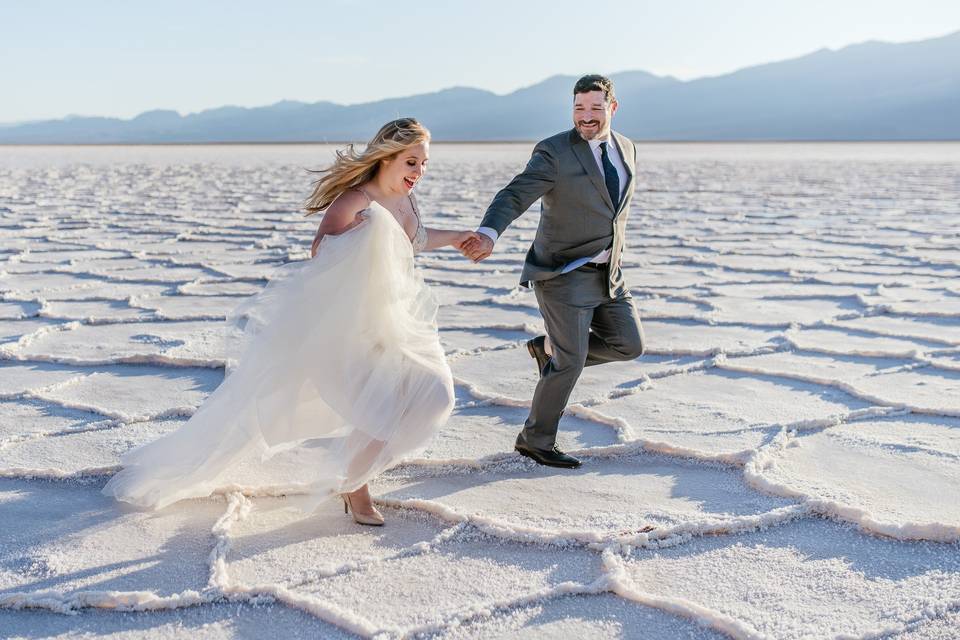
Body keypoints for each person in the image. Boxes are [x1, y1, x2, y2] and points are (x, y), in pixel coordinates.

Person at [103, 118, 479, 525]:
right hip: (351, 329)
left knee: (436, 394)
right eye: (411, 162)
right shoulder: (355, 201)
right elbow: (322, 251)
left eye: (424, 164)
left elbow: (414, 239)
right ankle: (355, 485)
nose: (418, 173)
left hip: (400, 321)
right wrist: (364, 234)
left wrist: (457, 236)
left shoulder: (406, 201)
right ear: (386, 157)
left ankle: (357, 474)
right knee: (382, 407)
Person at [461, 75, 645, 469]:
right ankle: (535, 440)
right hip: (563, 272)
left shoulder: (626, 148)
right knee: (571, 361)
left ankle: (546, 348)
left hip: (609, 272)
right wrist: (489, 232)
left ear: (612, 108)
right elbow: (515, 194)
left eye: (596, 108)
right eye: (579, 108)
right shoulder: (555, 152)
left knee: (629, 344)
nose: (587, 116)